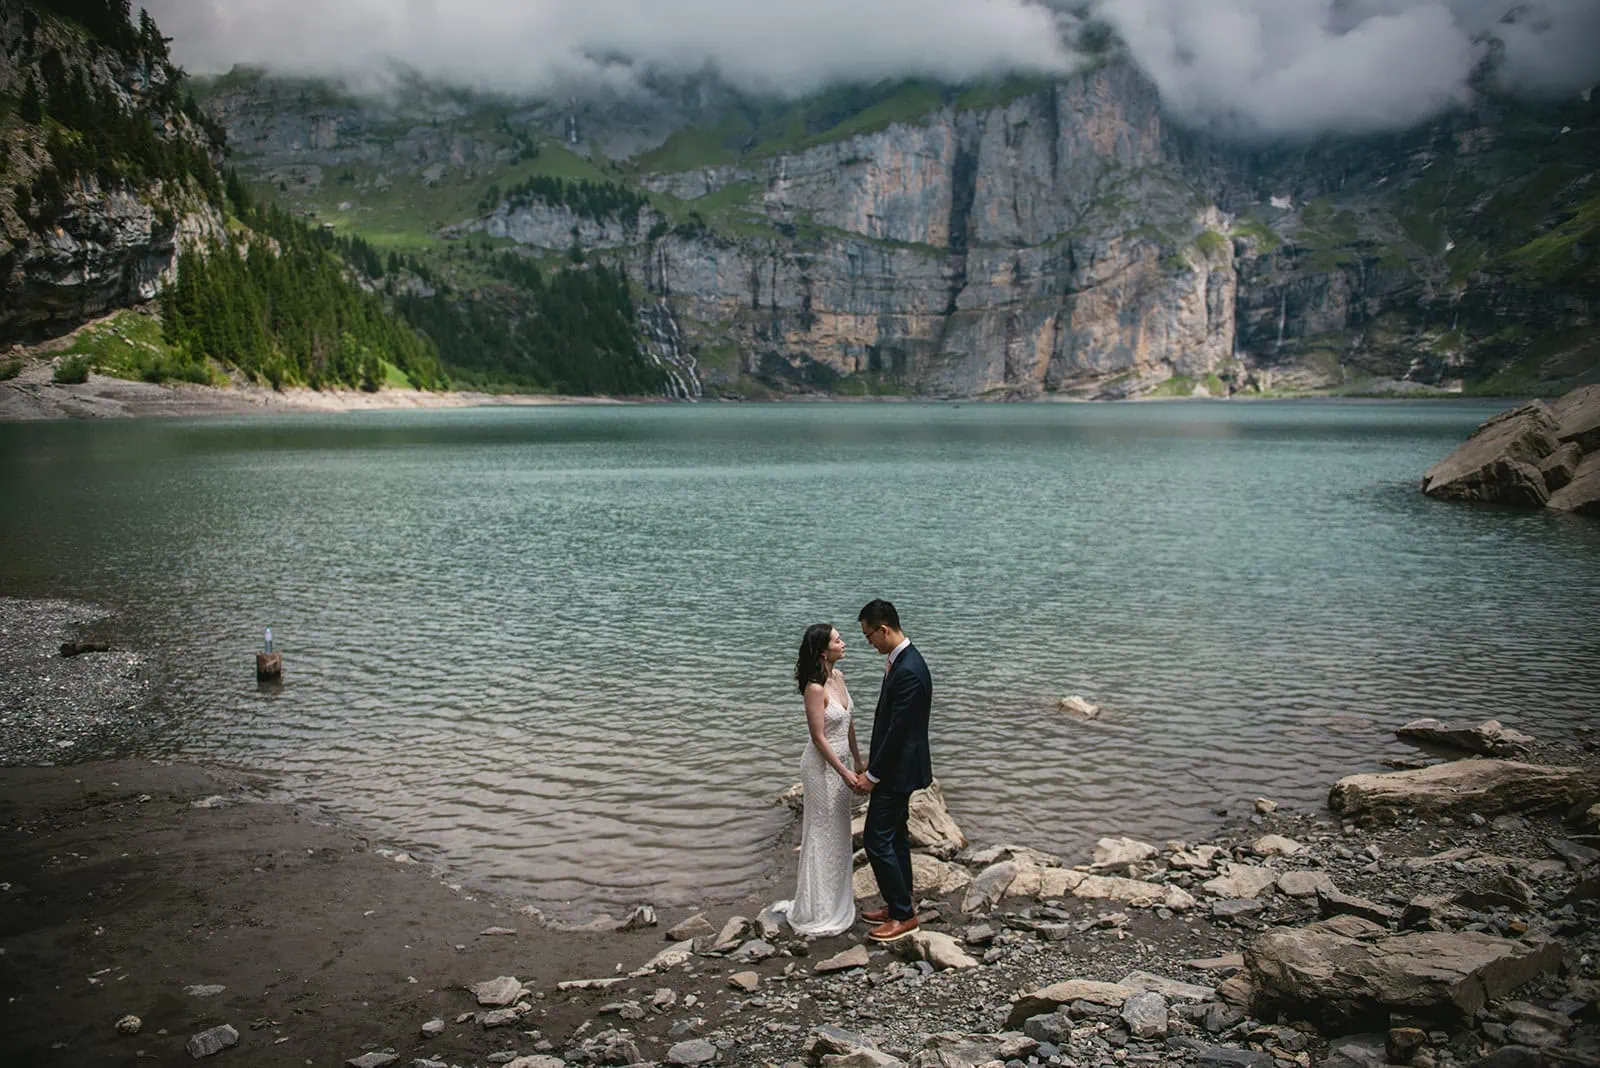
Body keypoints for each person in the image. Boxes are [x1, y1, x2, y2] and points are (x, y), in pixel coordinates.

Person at [771, 623, 864, 936]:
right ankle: (817, 908)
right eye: (838, 640)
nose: (844, 643)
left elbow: (847, 722)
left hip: (843, 763)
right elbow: (818, 737)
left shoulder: (839, 677)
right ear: (824, 651)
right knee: (821, 832)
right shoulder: (815, 688)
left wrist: (859, 760)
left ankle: (837, 900)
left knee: (838, 833)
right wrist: (844, 770)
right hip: (822, 768)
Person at [854, 598, 932, 942]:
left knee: (876, 839)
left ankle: (903, 914)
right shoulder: (901, 662)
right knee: (896, 835)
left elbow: (900, 731)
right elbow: (890, 725)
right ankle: (898, 901)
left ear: (883, 629)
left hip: (898, 771)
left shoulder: (910, 670)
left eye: (869, 635)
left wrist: (873, 775)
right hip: (896, 766)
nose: (869, 643)